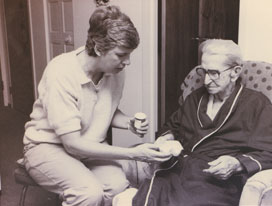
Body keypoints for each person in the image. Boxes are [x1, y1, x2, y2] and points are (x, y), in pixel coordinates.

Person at [23, 5, 171, 206]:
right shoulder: (61, 73)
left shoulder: (115, 72)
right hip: (48, 146)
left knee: (118, 185)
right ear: (99, 47)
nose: (127, 62)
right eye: (121, 54)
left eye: (129, 55)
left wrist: (129, 122)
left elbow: (103, 109)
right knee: (88, 192)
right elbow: (72, 143)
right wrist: (133, 154)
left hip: (89, 147)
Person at [132, 39, 272, 206]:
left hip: (217, 184)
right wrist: (166, 139)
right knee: (149, 194)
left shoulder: (255, 104)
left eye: (214, 73)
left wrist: (237, 164)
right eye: (204, 72)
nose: (206, 81)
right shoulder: (194, 99)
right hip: (177, 173)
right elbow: (172, 127)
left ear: (235, 72)